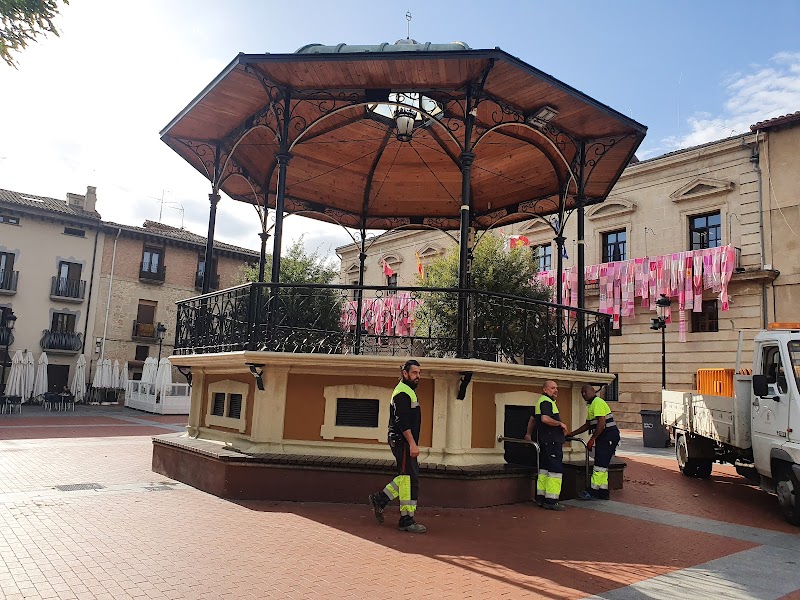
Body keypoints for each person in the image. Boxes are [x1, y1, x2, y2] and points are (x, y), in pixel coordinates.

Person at [368, 360, 427, 533]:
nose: (418, 376)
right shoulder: (402, 393)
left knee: (408, 479)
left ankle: (382, 501)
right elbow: (402, 422)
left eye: (419, 373)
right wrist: (412, 443)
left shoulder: (407, 391)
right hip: (402, 442)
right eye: (414, 373)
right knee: (408, 480)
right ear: (405, 373)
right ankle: (405, 519)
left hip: (404, 443)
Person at [567, 384, 620, 500]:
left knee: (600, 464)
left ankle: (593, 491)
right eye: (582, 393)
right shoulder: (591, 405)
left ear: (593, 391)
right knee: (603, 464)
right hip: (605, 437)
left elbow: (601, 423)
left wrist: (592, 439)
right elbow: (588, 424)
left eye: (585, 392)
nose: (583, 394)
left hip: (608, 436)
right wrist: (572, 434)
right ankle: (603, 491)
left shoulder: (597, 403)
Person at [524, 380, 569, 511]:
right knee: (555, 471)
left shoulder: (540, 402)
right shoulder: (546, 402)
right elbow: (545, 419)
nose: (556, 390)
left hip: (544, 441)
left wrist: (528, 434)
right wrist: (560, 424)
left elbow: (532, 419)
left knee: (544, 470)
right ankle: (551, 500)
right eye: (553, 388)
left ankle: (541, 498)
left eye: (557, 388)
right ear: (545, 390)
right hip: (552, 441)